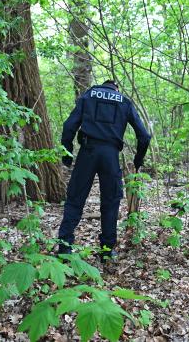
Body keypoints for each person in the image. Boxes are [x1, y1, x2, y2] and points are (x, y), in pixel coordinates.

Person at [57, 80, 151, 259]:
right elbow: (144, 136)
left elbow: (69, 126)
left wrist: (67, 154)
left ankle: (64, 247)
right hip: (111, 156)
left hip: (87, 152)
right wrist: (138, 161)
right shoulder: (124, 101)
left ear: (101, 86)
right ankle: (108, 250)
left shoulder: (87, 96)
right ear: (116, 88)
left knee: (75, 199)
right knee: (111, 202)